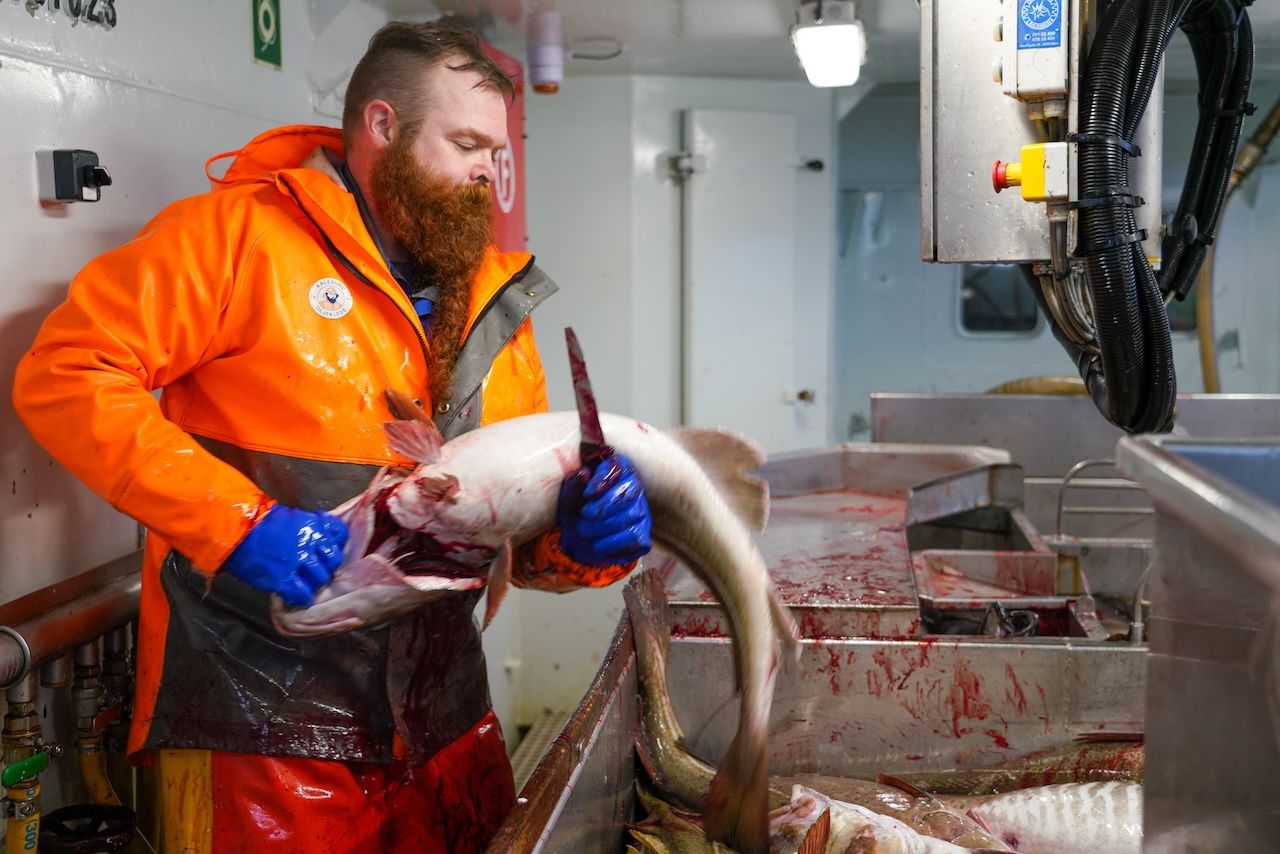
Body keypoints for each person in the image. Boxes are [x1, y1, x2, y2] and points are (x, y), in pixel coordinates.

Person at [12, 21, 651, 853]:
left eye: (495, 152)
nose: (485, 173)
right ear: (382, 126)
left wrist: (581, 542)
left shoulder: (496, 301)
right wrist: (235, 522)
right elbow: (66, 372)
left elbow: (520, 553)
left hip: (449, 728)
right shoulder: (235, 237)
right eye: (464, 143)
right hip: (258, 737)